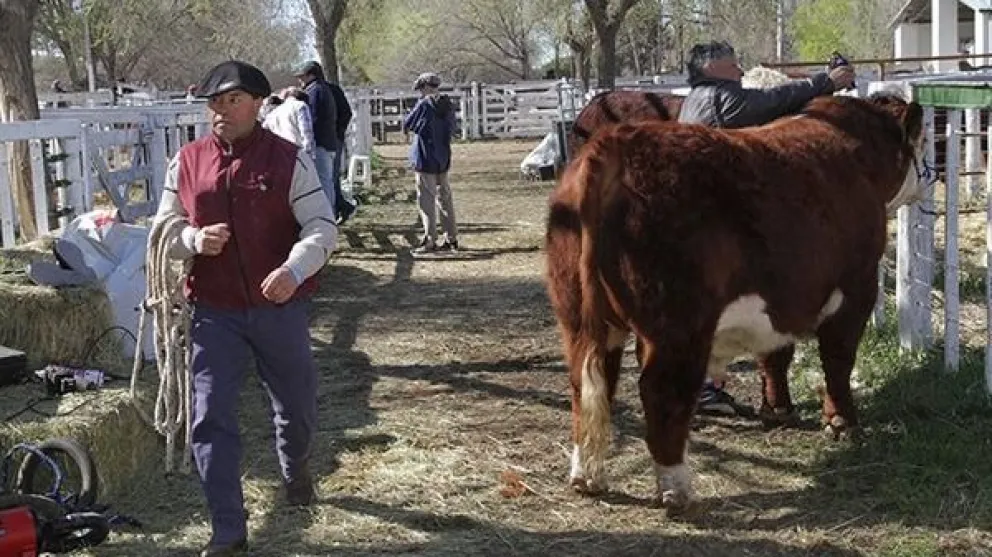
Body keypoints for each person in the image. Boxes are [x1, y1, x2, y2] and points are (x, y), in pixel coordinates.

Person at [151, 60, 337, 557]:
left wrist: (294, 269)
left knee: (296, 405)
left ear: (258, 103)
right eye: (215, 102)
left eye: (233, 100)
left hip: (280, 306)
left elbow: (322, 226)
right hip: (213, 311)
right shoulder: (186, 161)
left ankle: (296, 468)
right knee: (209, 415)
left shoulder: (289, 160)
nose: (222, 110)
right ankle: (227, 530)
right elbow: (164, 229)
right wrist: (193, 239)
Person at [677, 40, 856, 416]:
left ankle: (702, 388)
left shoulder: (700, 99)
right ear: (712, 69)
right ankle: (701, 390)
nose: (740, 71)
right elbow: (772, 101)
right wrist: (826, 82)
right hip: (719, 223)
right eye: (733, 65)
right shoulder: (719, 99)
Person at [403, 72, 459, 254]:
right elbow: (453, 129)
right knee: (445, 198)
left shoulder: (424, 104)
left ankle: (430, 239)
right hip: (443, 157)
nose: (420, 92)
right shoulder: (448, 105)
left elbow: (408, 123)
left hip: (424, 156)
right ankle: (451, 238)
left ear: (426, 87)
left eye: (421, 88)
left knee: (426, 199)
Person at [293, 61, 340, 218]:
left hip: (320, 143)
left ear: (311, 75)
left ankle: (326, 216)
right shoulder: (324, 89)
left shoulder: (314, 91)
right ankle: (330, 214)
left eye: (303, 76)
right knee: (328, 181)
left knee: (322, 181)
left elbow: (312, 118)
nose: (300, 80)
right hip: (329, 141)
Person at [326, 76, 356, 224]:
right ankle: (341, 206)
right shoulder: (332, 90)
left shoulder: (330, 90)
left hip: (332, 139)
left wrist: (338, 131)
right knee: (332, 175)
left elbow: (346, 113)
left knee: (331, 176)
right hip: (333, 139)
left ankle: (338, 207)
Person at [262, 87, 316, 160]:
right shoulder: (300, 105)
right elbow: (307, 132)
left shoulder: (273, 114)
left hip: (280, 155)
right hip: (297, 154)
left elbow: (264, 132)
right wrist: (310, 155)